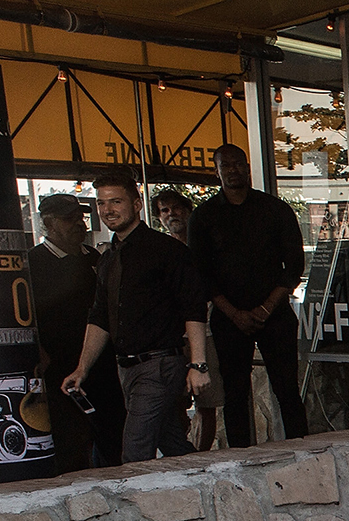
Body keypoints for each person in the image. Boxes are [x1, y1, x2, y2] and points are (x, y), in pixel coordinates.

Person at [63, 171, 211, 463]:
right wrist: (82, 369)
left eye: (116, 201)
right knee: (173, 446)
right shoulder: (107, 258)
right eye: (102, 203)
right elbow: (100, 317)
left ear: (137, 203)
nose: (108, 210)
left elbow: (193, 308)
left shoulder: (166, 250)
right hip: (126, 369)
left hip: (159, 365)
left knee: (135, 451)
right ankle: (218, 488)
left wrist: (198, 364)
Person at [187, 143, 308, 447]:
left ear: (247, 166)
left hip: (275, 312)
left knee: (287, 390)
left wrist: (267, 308)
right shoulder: (203, 217)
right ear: (216, 171)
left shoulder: (274, 209)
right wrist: (234, 313)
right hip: (229, 317)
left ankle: (305, 450)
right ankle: (241, 458)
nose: (233, 170)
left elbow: (293, 266)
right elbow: (202, 274)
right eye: (225, 165)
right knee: (235, 394)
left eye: (238, 163)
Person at [29, 194, 124, 471]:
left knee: (112, 434)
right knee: (72, 441)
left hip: (101, 363)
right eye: (69, 219)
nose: (79, 225)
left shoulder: (94, 258)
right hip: (60, 369)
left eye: (80, 218)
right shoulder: (33, 262)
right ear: (49, 223)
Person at [154, 189, 224, 449]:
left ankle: (203, 454)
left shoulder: (204, 248)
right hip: (171, 338)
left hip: (206, 334)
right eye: (164, 210)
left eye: (176, 207)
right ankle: (181, 452)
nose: (171, 213)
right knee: (174, 404)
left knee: (207, 403)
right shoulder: (159, 252)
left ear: (188, 209)